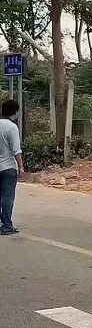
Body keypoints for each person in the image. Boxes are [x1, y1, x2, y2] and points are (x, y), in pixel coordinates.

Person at [0, 100, 23, 236]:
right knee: (7, 197)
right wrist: (21, 166)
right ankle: (7, 225)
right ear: (15, 112)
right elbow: (16, 150)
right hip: (8, 167)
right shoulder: (12, 127)